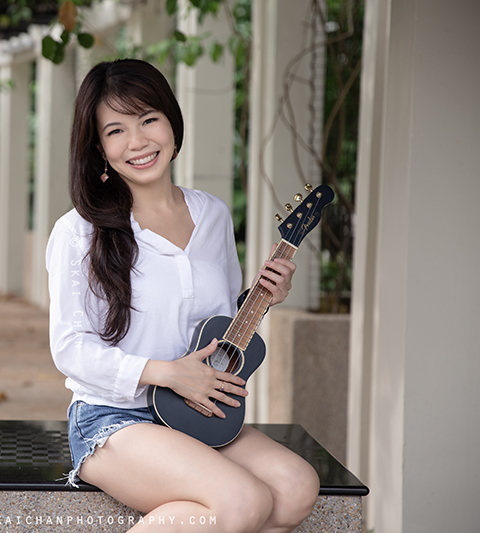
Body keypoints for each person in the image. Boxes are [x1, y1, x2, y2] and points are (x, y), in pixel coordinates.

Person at [46, 59, 320, 532]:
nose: (138, 142)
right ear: (98, 147)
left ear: (172, 122)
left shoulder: (211, 214)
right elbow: (69, 348)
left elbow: (217, 326)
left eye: (149, 119)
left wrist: (262, 300)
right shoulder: (79, 232)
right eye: (116, 130)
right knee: (240, 502)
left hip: (192, 412)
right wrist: (167, 373)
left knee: (296, 487)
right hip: (113, 418)